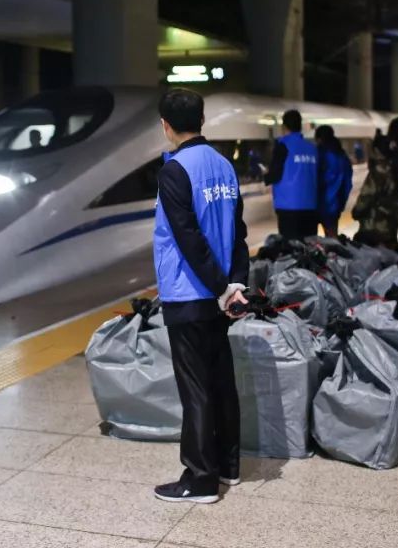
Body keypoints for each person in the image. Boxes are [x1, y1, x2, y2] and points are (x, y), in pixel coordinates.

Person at [153, 88, 249, 504]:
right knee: (220, 382)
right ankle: (228, 466)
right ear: (203, 120)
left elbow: (188, 239)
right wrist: (236, 286)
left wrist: (220, 287)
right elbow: (239, 234)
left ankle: (200, 479)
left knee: (195, 388)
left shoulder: (175, 171)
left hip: (189, 294)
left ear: (166, 126)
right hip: (221, 295)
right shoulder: (225, 166)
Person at [352, 118, 398, 251]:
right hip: (391, 223)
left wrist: (356, 212)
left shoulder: (379, 170)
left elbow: (367, 195)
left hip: (374, 227)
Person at [263, 109, 318, 240]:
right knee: (310, 247)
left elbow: (275, 175)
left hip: (288, 208)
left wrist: (266, 175)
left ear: (284, 127)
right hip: (311, 206)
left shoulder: (282, 146)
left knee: (292, 250)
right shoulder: (312, 148)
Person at [314, 124, 353, 236]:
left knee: (310, 244)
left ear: (319, 139)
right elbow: (347, 184)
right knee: (332, 243)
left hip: (313, 206)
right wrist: (341, 204)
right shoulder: (342, 157)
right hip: (333, 207)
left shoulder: (316, 154)